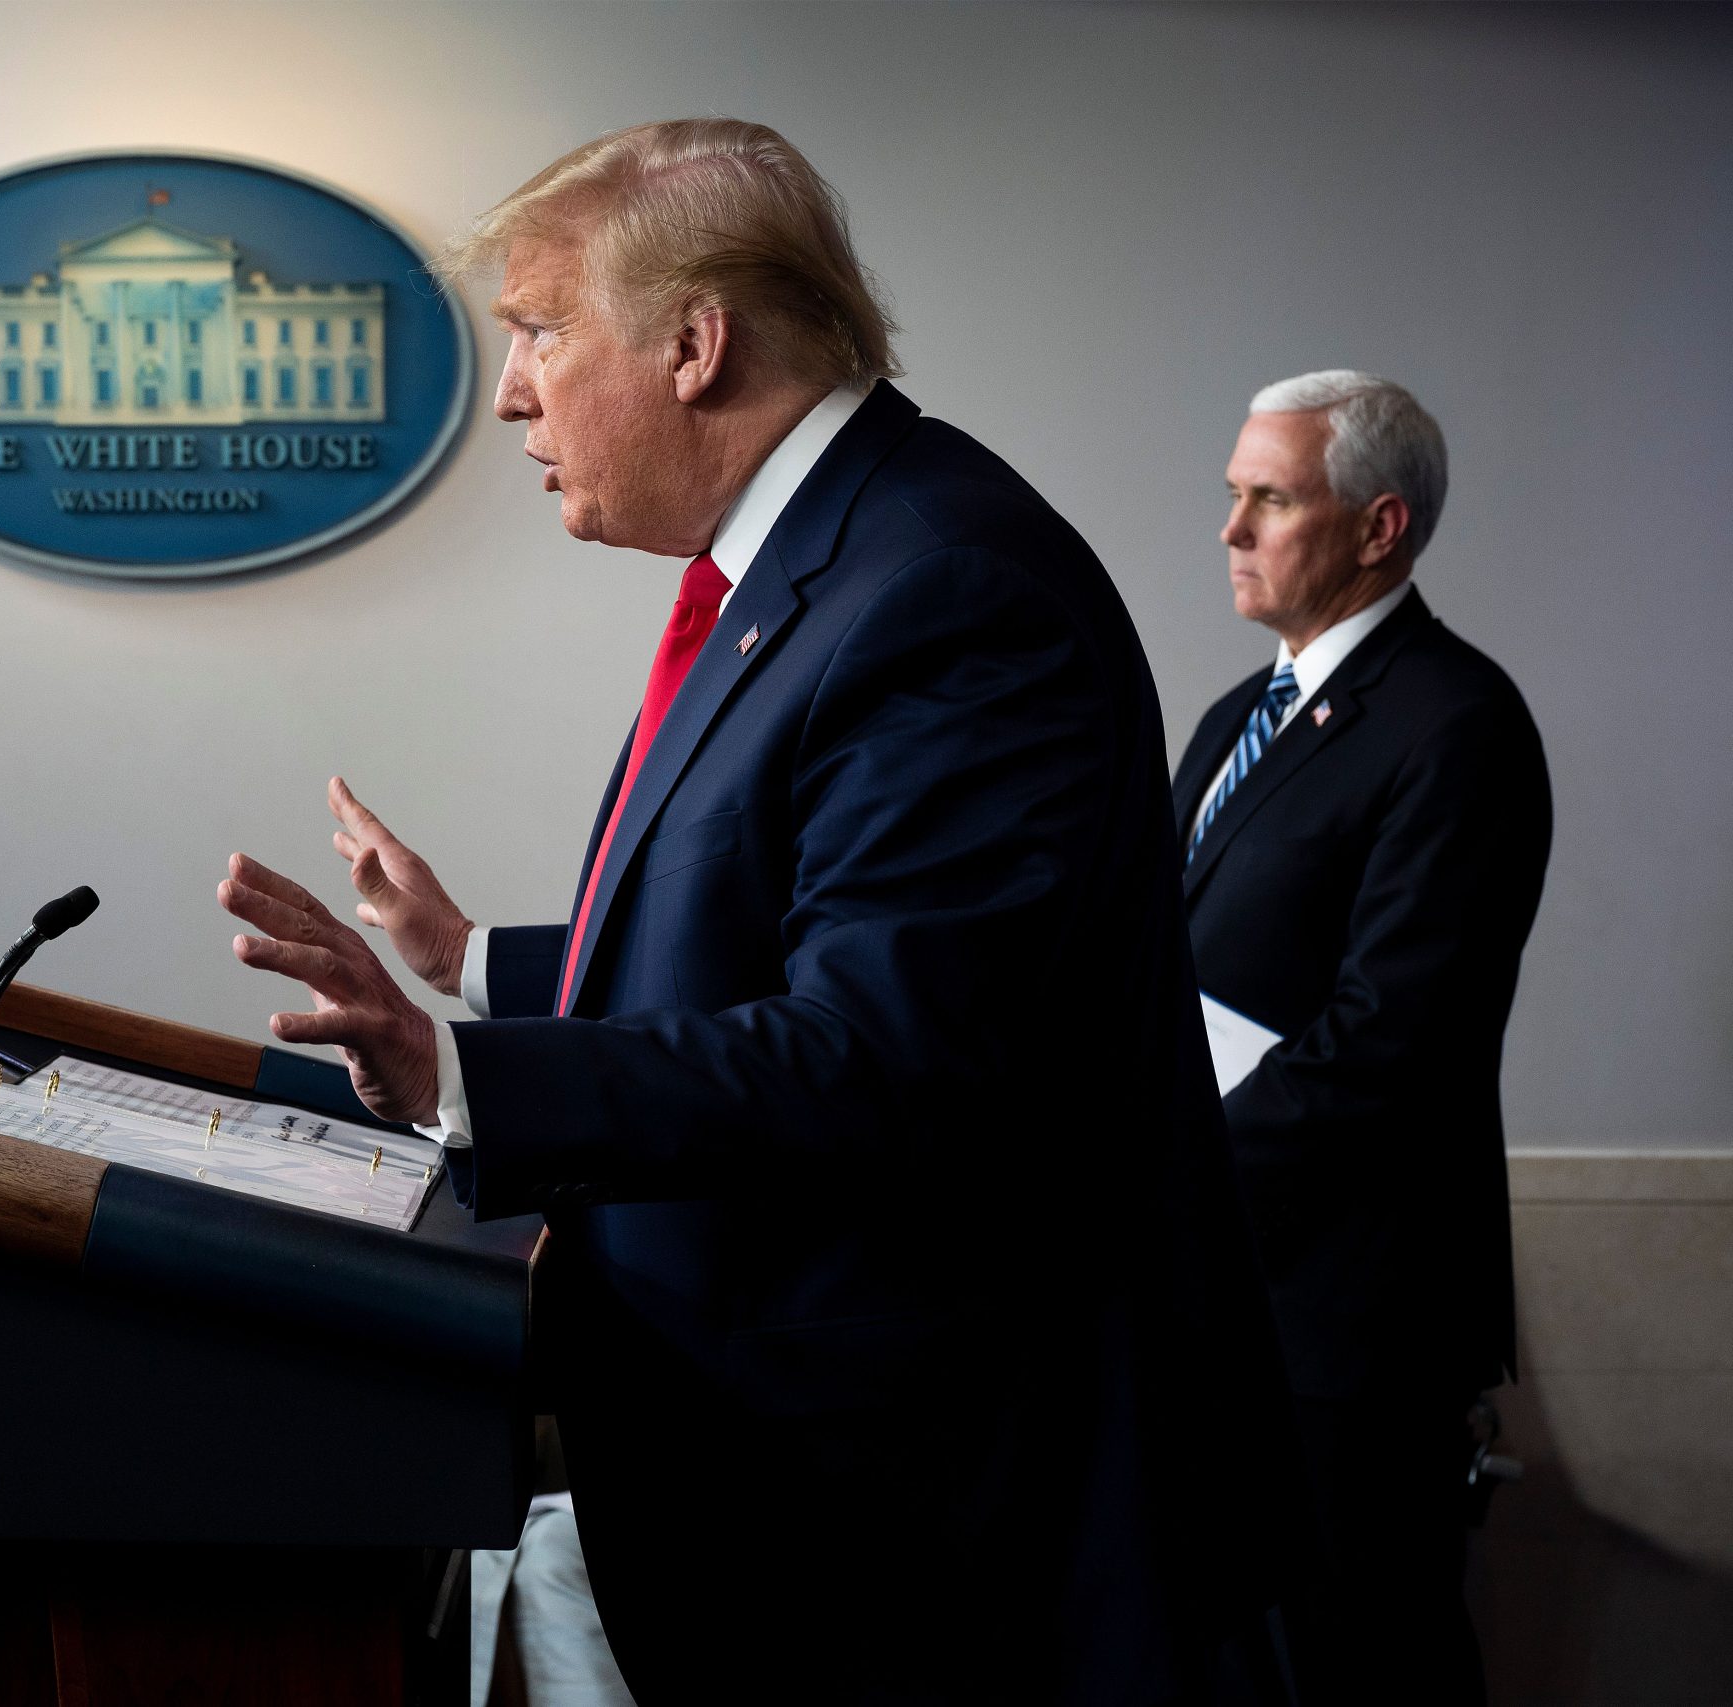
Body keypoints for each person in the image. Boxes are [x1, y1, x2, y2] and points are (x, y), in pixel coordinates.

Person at [217, 119, 1283, 1704]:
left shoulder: (943, 585)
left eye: (538, 329)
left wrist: (455, 1080)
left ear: (695, 345)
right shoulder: (818, 565)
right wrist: (470, 962)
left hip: (930, 1551)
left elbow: (877, 1055)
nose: (510, 392)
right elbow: (767, 934)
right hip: (821, 1507)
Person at [1176, 372, 1551, 1704]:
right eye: (1234, 496)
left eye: (1268, 499)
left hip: (1353, 1332)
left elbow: (1391, 1045)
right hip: (1233, 1305)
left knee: (1356, 1671)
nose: (1230, 529)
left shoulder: (1457, 724)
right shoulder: (1236, 720)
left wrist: (1170, 1156)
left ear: (1379, 527)